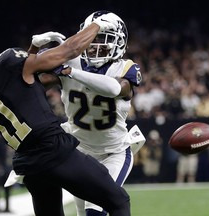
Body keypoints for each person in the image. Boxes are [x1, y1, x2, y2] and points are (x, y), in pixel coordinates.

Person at [0, 14, 131, 216]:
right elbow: (70, 50)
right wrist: (98, 24)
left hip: (29, 165)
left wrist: (32, 49)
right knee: (118, 201)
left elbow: (24, 85)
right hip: (54, 151)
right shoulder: (6, 63)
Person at [37, 10, 145, 216]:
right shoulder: (71, 62)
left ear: (119, 43)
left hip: (113, 153)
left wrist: (71, 72)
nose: (96, 46)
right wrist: (44, 53)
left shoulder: (125, 68)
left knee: (95, 211)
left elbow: (114, 88)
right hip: (79, 152)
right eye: (92, 39)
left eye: (104, 39)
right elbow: (34, 83)